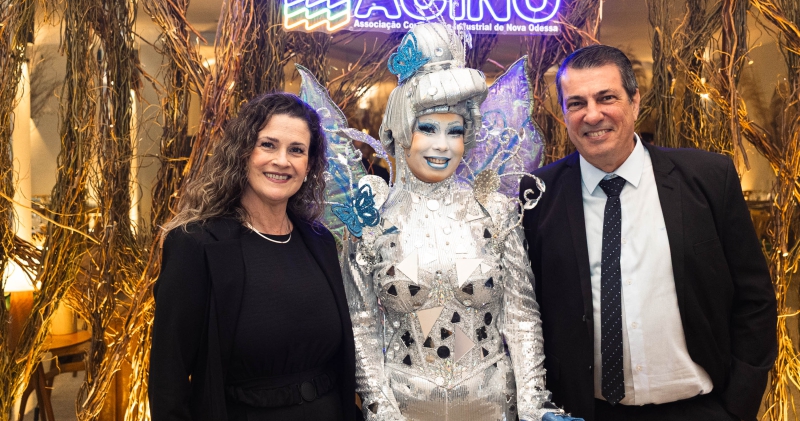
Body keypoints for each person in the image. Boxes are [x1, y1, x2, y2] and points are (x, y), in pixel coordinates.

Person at [519, 45, 777, 421]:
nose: (592, 114)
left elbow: (754, 299)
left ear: (635, 101)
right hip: (585, 412)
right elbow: (524, 312)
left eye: (606, 97)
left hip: (699, 409)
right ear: (564, 113)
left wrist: (738, 406)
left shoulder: (709, 179)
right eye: (577, 103)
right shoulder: (535, 195)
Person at [343, 23, 580, 421]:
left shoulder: (495, 211)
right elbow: (361, 326)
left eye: (454, 131)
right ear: (402, 129)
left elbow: (520, 317)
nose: (442, 145)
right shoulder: (370, 218)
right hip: (404, 411)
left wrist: (535, 407)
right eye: (427, 128)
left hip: (493, 409)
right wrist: (382, 413)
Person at [149, 93, 357, 421]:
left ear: (309, 165)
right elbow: (168, 379)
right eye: (268, 145)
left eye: (297, 150)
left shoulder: (320, 243)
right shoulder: (196, 245)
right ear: (243, 152)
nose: (282, 161)